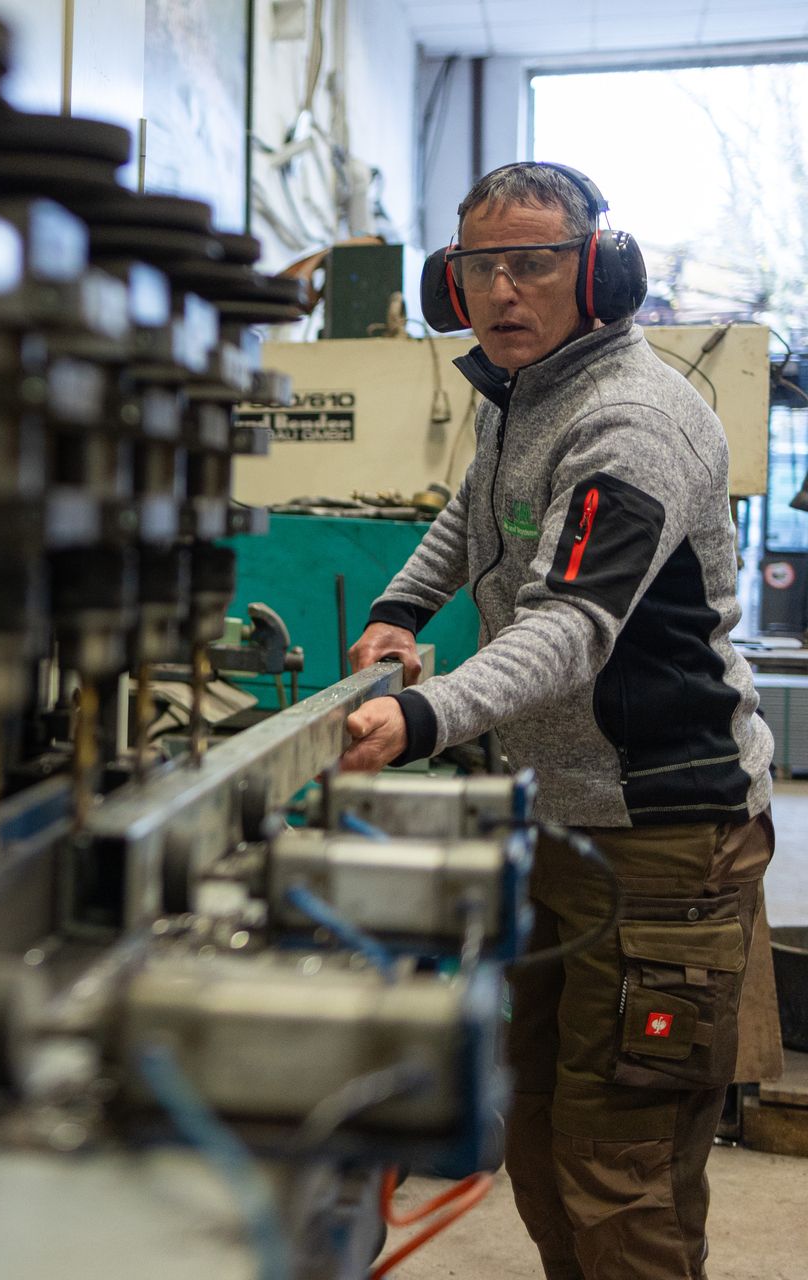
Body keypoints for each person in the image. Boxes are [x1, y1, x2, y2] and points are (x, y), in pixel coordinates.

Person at [338, 162, 782, 1280]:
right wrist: (400, 612)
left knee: (617, 1168)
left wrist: (428, 711)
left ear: (601, 271)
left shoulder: (628, 423)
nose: (503, 288)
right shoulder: (523, 395)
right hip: (564, 817)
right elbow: (474, 514)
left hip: (664, 834)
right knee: (538, 1135)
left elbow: (571, 622)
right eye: (480, 265)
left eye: (534, 260)